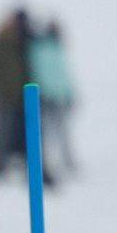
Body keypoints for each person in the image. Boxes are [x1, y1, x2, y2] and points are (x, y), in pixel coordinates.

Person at [29, 19, 76, 178]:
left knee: (63, 132)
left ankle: (65, 160)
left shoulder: (56, 48)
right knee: (48, 133)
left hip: (60, 96)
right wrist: (45, 93)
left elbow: (64, 75)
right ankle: (49, 163)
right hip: (48, 97)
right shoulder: (40, 49)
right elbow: (40, 74)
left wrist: (69, 93)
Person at [0, 9, 31, 171]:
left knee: (23, 131)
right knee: (5, 130)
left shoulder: (21, 44)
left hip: (22, 94)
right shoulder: (0, 44)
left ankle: (16, 160)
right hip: (6, 94)